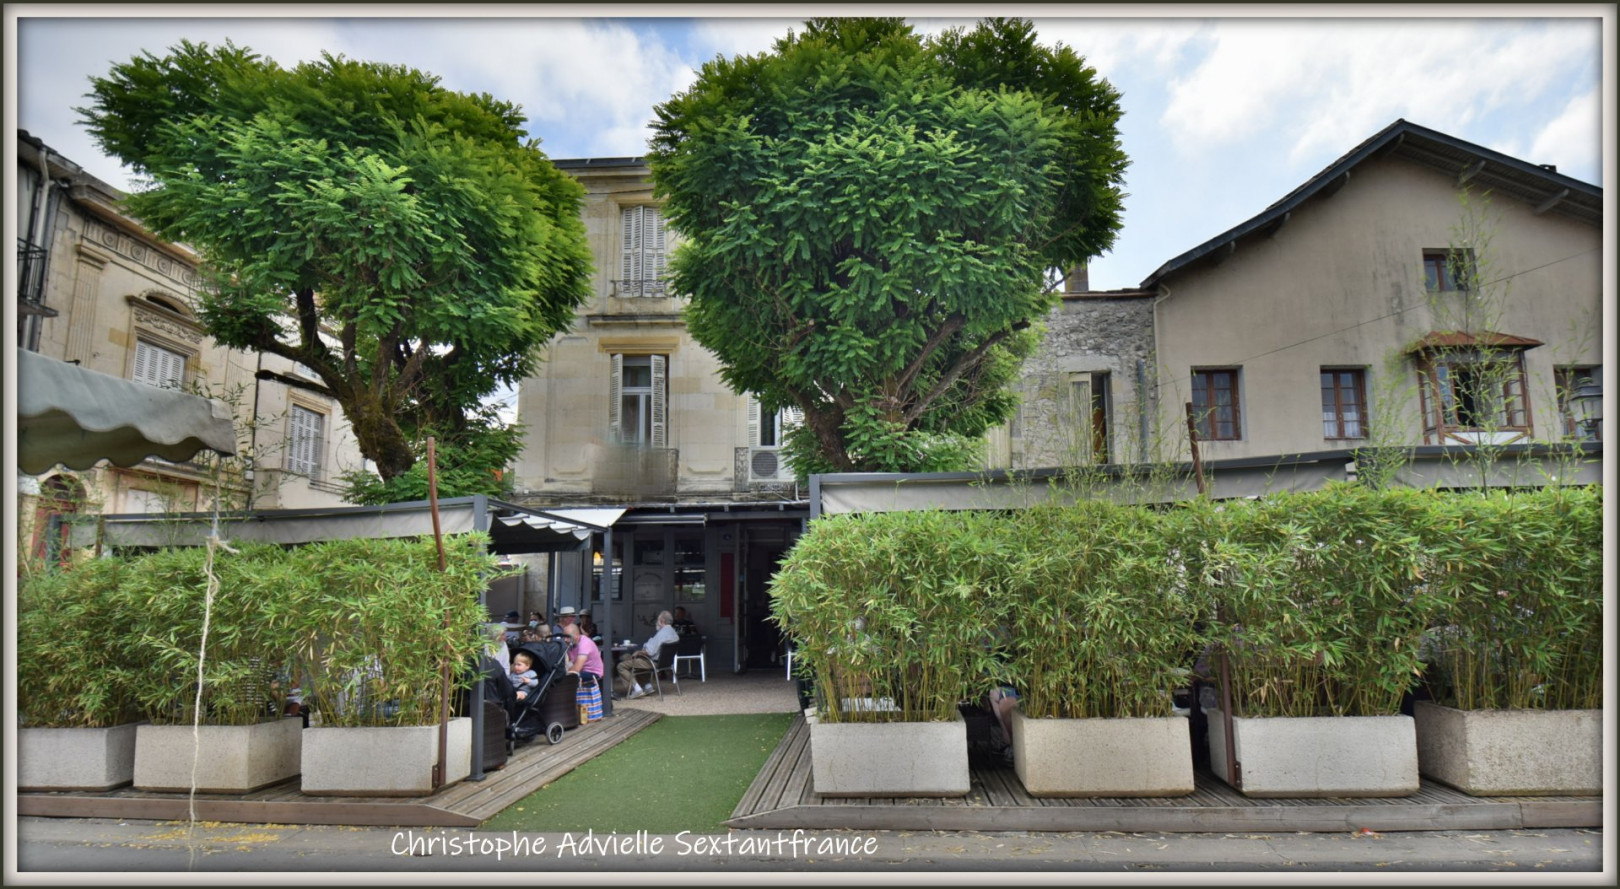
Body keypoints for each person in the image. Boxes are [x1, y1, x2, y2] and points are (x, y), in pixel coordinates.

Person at [616, 610, 679, 699]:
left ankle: (636, 689)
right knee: (631, 659)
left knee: (621, 666)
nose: (657, 622)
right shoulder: (674, 634)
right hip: (666, 663)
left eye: (658, 620)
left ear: (662, 621)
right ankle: (647, 686)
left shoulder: (662, 634)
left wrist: (638, 652)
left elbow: (649, 652)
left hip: (653, 662)